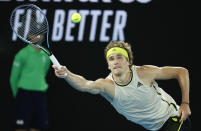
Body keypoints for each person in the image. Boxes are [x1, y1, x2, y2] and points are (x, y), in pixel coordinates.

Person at [52, 41, 191, 131]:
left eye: (119, 57)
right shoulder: (107, 85)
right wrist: (67, 74)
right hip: (154, 128)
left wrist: (185, 103)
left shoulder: (144, 73)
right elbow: (84, 84)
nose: (115, 61)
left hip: (174, 119)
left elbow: (181, 72)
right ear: (108, 65)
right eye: (111, 59)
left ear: (128, 61)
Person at [10, 34, 50, 131]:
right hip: (24, 94)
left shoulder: (46, 54)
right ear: (29, 36)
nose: (38, 37)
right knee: (21, 127)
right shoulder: (22, 54)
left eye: (40, 34)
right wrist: (18, 95)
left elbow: (44, 72)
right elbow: (13, 78)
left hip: (40, 95)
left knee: (38, 127)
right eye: (35, 34)